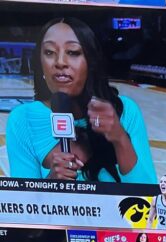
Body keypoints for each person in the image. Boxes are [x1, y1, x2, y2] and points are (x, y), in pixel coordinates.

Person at [6, 17, 156, 183]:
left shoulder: (125, 111)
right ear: (40, 63)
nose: (60, 62)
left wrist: (120, 139)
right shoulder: (22, 120)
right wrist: (50, 182)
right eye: (49, 52)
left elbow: (150, 198)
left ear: (91, 62)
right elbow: (21, 205)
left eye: (72, 52)